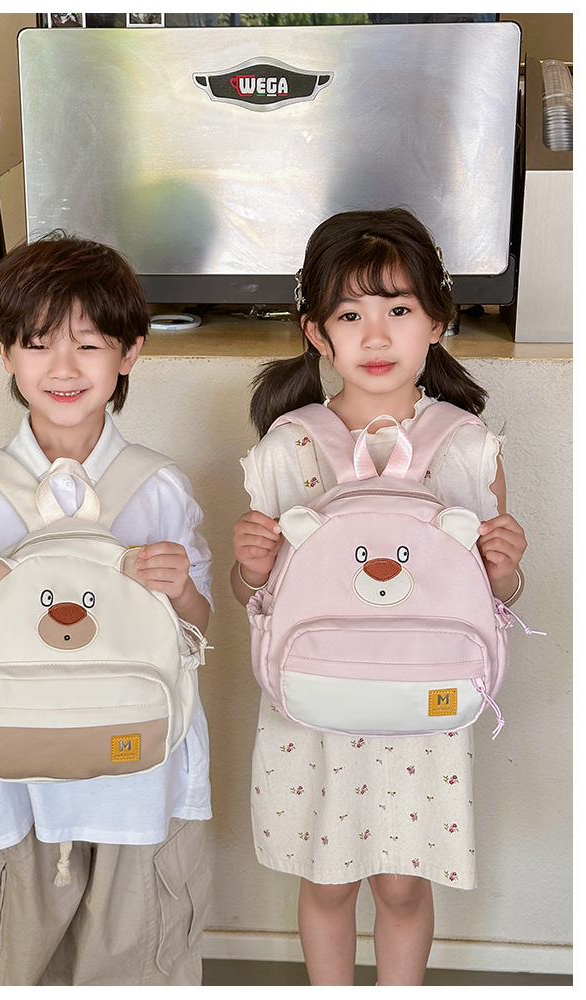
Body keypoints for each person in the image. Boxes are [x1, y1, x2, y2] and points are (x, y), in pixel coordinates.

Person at [230, 208, 527, 986]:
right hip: (312, 705)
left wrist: (505, 569)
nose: (375, 335)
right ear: (316, 333)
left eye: (398, 309)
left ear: (437, 320)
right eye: (349, 315)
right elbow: (254, 597)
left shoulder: (466, 448)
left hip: (425, 702)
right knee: (327, 882)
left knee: (401, 884)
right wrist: (250, 568)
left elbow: (493, 599)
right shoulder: (288, 446)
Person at [0, 233, 213, 986]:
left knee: (136, 966)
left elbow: (197, 631)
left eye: (88, 343)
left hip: (139, 775)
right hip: (6, 781)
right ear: (7, 356)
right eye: (38, 343)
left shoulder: (158, 486)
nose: (64, 367)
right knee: (2, 963)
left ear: (130, 353)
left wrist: (180, 590)